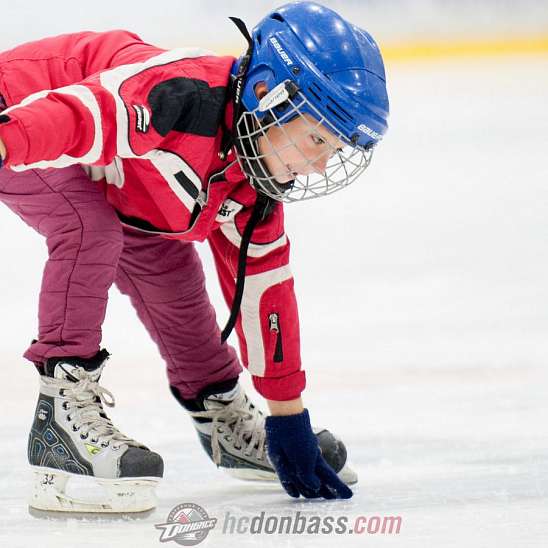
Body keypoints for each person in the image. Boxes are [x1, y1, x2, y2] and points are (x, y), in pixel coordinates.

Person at [0, 1, 389, 512]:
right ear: (267, 94)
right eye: (316, 138)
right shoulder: (179, 96)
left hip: (116, 168)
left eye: (334, 149)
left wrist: (287, 418)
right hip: (24, 111)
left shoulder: (253, 178)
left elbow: (264, 297)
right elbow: (80, 115)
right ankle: (60, 416)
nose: (318, 166)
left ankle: (220, 415)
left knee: (170, 273)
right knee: (88, 230)